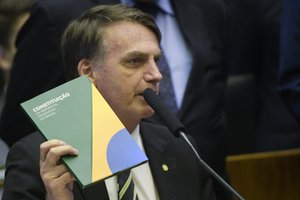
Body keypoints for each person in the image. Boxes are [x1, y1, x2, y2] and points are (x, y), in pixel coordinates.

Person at [0, 0, 227, 188]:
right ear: (88, 72)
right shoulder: (40, 163)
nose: (156, 74)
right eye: (135, 61)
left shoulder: (183, 151)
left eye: (156, 60)